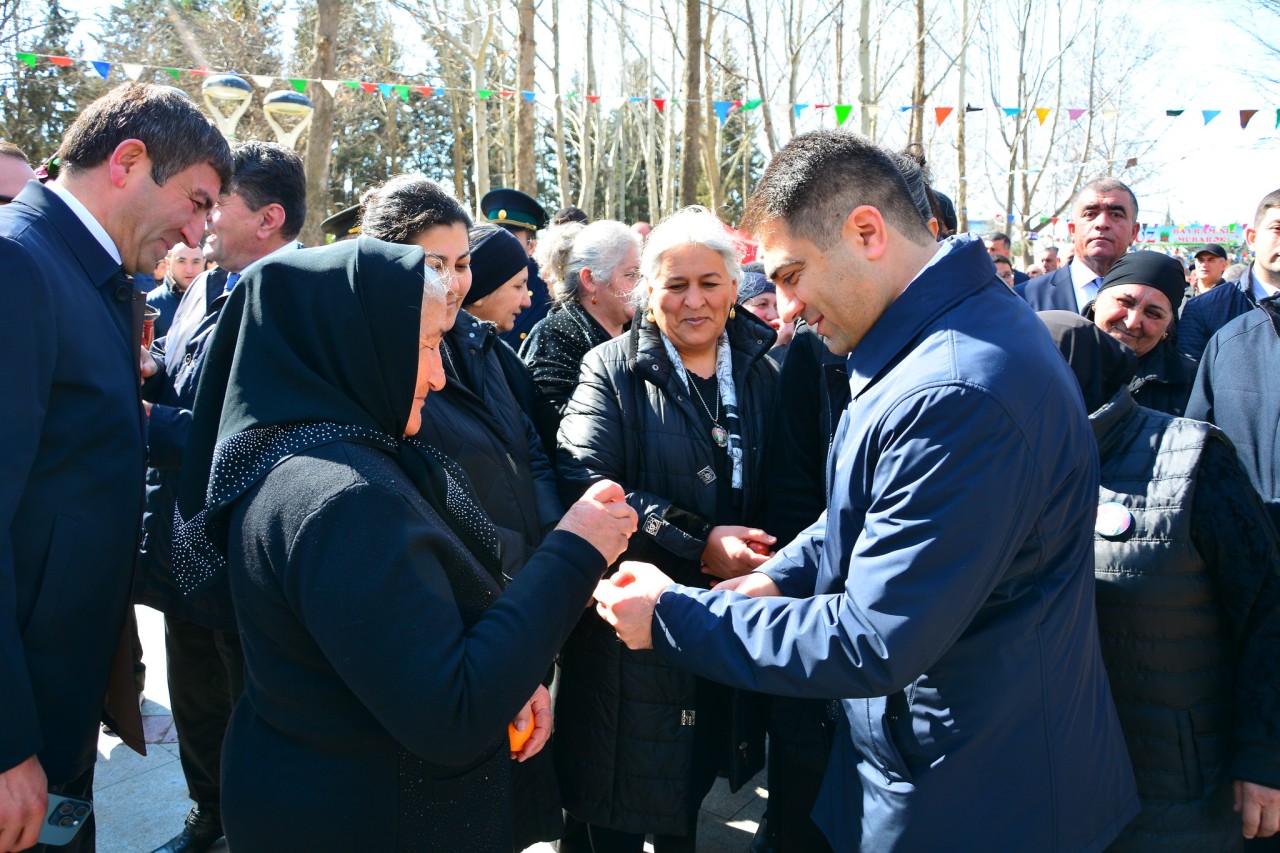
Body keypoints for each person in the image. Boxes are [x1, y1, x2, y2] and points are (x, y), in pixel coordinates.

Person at [591, 130, 1139, 851]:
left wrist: (673, 616)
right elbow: (869, 516)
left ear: (867, 232)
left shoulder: (953, 389)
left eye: (790, 275)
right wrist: (779, 577)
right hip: (951, 762)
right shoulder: (941, 338)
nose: (783, 308)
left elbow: (873, 637)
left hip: (979, 798)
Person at [168, 236, 637, 851]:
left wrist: (511, 675)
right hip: (371, 817)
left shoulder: (311, 462)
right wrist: (577, 548)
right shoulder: (341, 497)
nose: (439, 374)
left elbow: (397, 651)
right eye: (422, 345)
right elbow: (451, 712)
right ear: (351, 346)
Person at [0, 82, 230, 853]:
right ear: (129, 161)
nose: (199, 229)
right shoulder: (18, 263)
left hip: (60, 694)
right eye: (197, 202)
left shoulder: (90, 276)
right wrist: (5, 741)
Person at [555, 206, 779, 852]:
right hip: (628, 635)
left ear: (735, 286)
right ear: (647, 290)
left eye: (710, 282)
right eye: (675, 284)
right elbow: (585, 481)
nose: (694, 300)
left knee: (688, 800)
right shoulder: (611, 369)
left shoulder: (765, 370)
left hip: (726, 617)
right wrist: (698, 539)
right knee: (619, 811)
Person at [360, 175, 566, 848]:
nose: (452, 284)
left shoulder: (484, 348)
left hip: (517, 590)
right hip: (461, 616)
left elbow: (529, 452)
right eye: (433, 265)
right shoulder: (383, 368)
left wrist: (541, 556)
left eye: (460, 263)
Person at [1041, 311, 1280, 848]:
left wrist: (1266, 753)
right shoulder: (998, 463)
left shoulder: (1191, 458)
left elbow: (1268, 606)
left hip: (1176, 789)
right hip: (1048, 786)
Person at [137, 141, 306, 853]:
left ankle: (250, 827)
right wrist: (147, 376)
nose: (202, 216)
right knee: (197, 695)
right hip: (183, 541)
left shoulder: (293, 298)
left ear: (268, 217)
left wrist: (146, 420)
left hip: (243, 549)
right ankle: (207, 813)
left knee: (250, 707)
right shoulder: (202, 287)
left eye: (218, 203)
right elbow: (191, 393)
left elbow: (256, 432)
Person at [520, 219, 641, 453]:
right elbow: (557, 430)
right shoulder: (555, 335)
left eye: (641, 274)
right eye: (631, 275)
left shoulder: (639, 331)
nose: (640, 287)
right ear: (590, 280)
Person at [1085, 250, 1197, 416]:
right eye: (1124, 302)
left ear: (1167, 328)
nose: (1132, 323)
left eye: (1153, 313)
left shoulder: (1191, 385)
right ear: (1097, 301)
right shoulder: (1056, 359)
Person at [1178, 189, 1280, 360]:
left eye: (1211, 259)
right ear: (1252, 238)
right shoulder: (1204, 309)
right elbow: (1193, 381)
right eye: (1277, 229)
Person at [1017, 177, 1141, 312]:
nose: (1102, 223)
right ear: (1072, 230)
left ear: (1134, 232)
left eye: (1115, 215)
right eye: (1090, 214)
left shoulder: (1159, 298)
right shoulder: (1023, 298)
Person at [481, 186, 553, 346]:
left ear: (532, 246)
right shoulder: (471, 280)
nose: (500, 243)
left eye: (510, 237)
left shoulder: (546, 290)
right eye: (494, 233)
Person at [145, 242, 205, 339]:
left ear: (204, 262)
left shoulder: (216, 300)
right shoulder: (150, 304)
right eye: (181, 261)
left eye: (196, 262)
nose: (189, 270)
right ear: (168, 263)